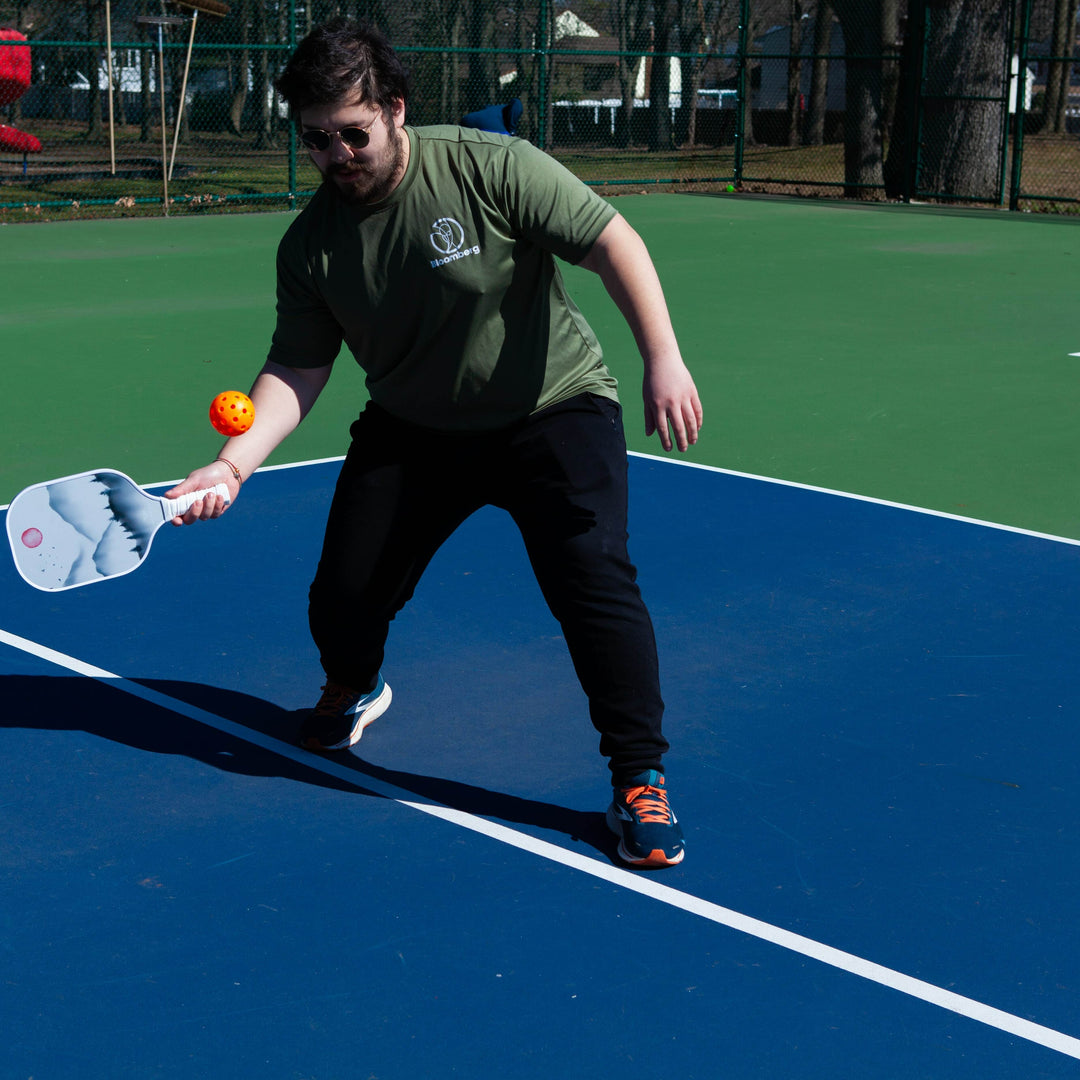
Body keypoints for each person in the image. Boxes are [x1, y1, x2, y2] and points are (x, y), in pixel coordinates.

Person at [166, 17, 702, 869]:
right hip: (416, 428)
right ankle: (354, 684)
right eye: (317, 139)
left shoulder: (491, 167)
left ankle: (639, 775)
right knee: (341, 597)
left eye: (353, 133)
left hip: (550, 407)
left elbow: (611, 242)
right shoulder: (312, 246)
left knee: (593, 579)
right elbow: (296, 368)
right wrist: (234, 464)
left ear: (395, 110)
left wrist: (662, 358)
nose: (337, 155)